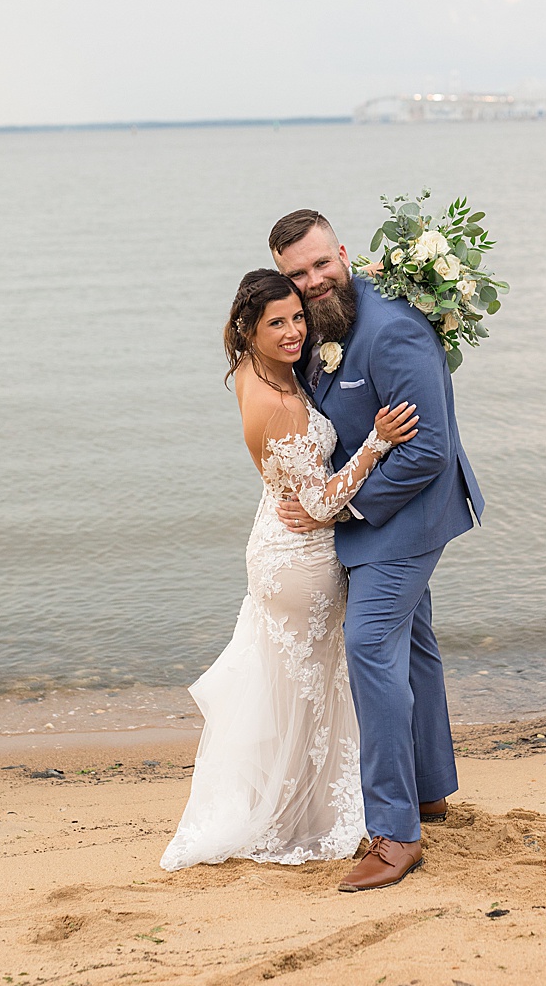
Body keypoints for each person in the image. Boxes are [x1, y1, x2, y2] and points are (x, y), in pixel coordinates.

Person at [161, 270, 416, 871]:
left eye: (298, 316)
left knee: (292, 685)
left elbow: (298, 490)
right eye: (277, 323)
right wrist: (376, 441)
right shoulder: (279, 406)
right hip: (301, 559)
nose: (295, 331)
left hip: (275, 544)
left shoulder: (256, 372)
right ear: (248, 329)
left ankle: (294, 804)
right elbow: (321, 507)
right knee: (312, 687)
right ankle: (297, 816)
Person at [270, 208, 484, 891]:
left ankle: (394, 835)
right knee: (413, 644)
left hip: (407, 517)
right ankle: (429, 788)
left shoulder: (393, 331)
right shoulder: (319, 329)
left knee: (368, 645)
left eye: (320, 264)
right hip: (369, 514)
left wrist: (343, 505)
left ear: (344, 252)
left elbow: (428, 450)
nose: (313, 281)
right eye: (297, 275)